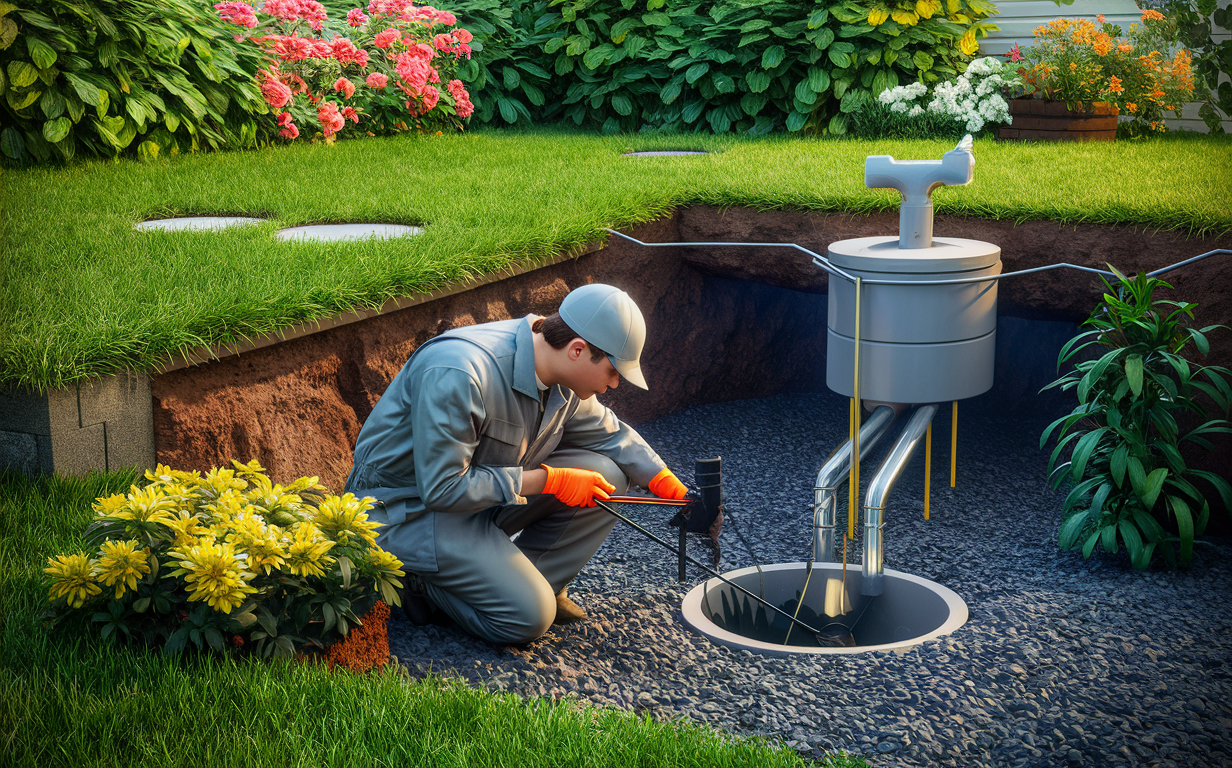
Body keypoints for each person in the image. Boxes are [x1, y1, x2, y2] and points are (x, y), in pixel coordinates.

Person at [344, 284, 690, 644]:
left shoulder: (559, 376)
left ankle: (528, 584)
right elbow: (442, 489)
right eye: (613, 371)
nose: (616, 383)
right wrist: (548, 480)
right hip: (409, 513)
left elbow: (612, 436)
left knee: (608, 475)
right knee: (529, 618)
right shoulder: (461, 371)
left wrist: (671, 487)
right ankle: (420, 583)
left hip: (478, 504)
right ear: (578, 349)